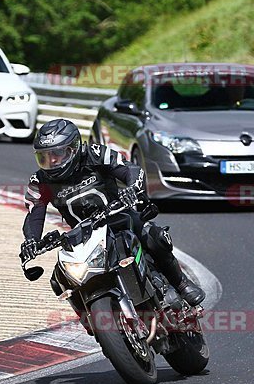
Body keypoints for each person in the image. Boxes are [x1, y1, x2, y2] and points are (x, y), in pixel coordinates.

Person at [19, 118, 205, 306]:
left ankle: (181, 283)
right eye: (44, 156)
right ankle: (91, 321)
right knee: (59, 280)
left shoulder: (96, 154)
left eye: (56, 154)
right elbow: (35, 212)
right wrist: (30, 241)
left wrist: (132, 189)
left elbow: (130, 169)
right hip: (83, 236)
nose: (51, 161)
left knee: (153, 236)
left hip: (118, 217)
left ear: (72, 149)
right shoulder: (39, 180)